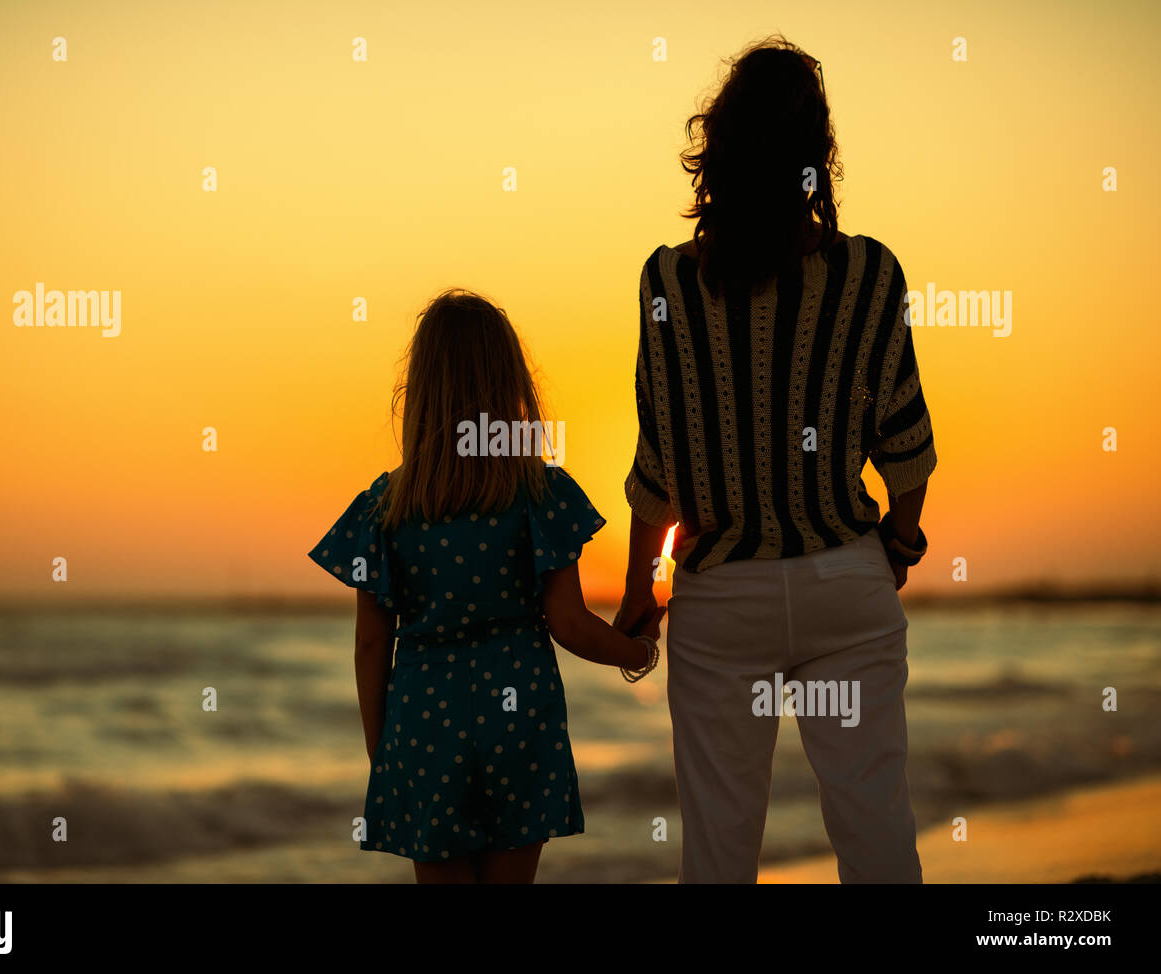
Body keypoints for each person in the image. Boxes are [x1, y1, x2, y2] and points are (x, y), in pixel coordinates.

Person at [613, 37, 937, 883]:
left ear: (715, 151)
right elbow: (905, 447)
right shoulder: (869, 274)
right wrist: (898, 546)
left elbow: (660, 463)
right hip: (846, 584)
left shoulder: (668, 284)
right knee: (876, 837)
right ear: (816, 158)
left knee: (718, 855)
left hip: (722, 601)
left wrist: (640, 591)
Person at [310, 289, 662, 884]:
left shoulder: (384, 509)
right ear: (509, 385)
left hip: (423, 724)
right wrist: (639, 651)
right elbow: (569, 623)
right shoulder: (537, 493)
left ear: (419, 391)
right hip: (519, 716)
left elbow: (372, 645)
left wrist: (384, 755)